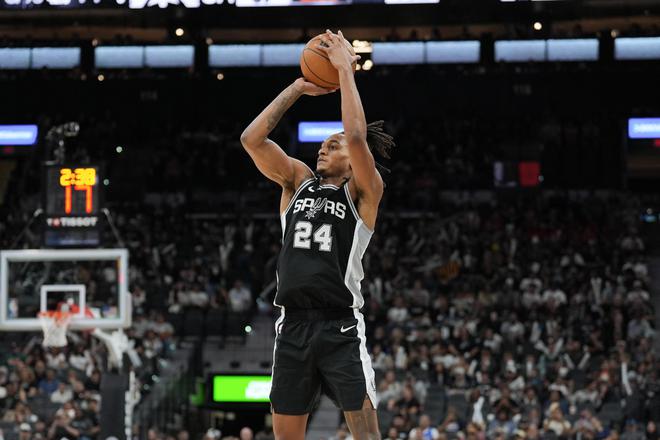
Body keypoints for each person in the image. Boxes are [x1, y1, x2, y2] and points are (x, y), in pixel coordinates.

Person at [240, 29, 395, 440]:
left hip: (340, 325)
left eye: (333, 145)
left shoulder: (363, 192)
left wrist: (345, 71)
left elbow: (357, 136)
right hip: (292, 325)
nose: (324, 148)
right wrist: (297, 88)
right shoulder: (297, 182)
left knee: (366, 435)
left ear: (354, 161)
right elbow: (251, 139)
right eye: (323, 144)